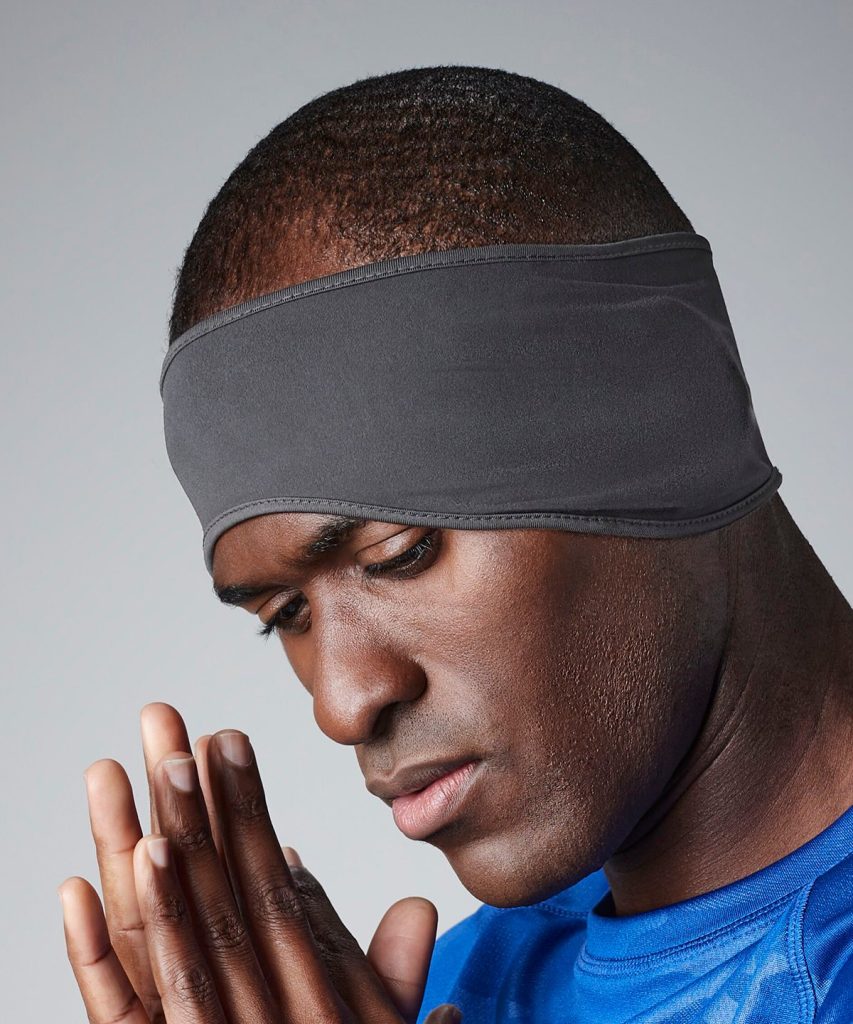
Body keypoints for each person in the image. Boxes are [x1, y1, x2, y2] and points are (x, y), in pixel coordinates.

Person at [58, 65, 853, 1023]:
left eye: (399, 554)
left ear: (664, 432)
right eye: (286, 615)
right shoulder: (442, 994)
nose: (342, 702)